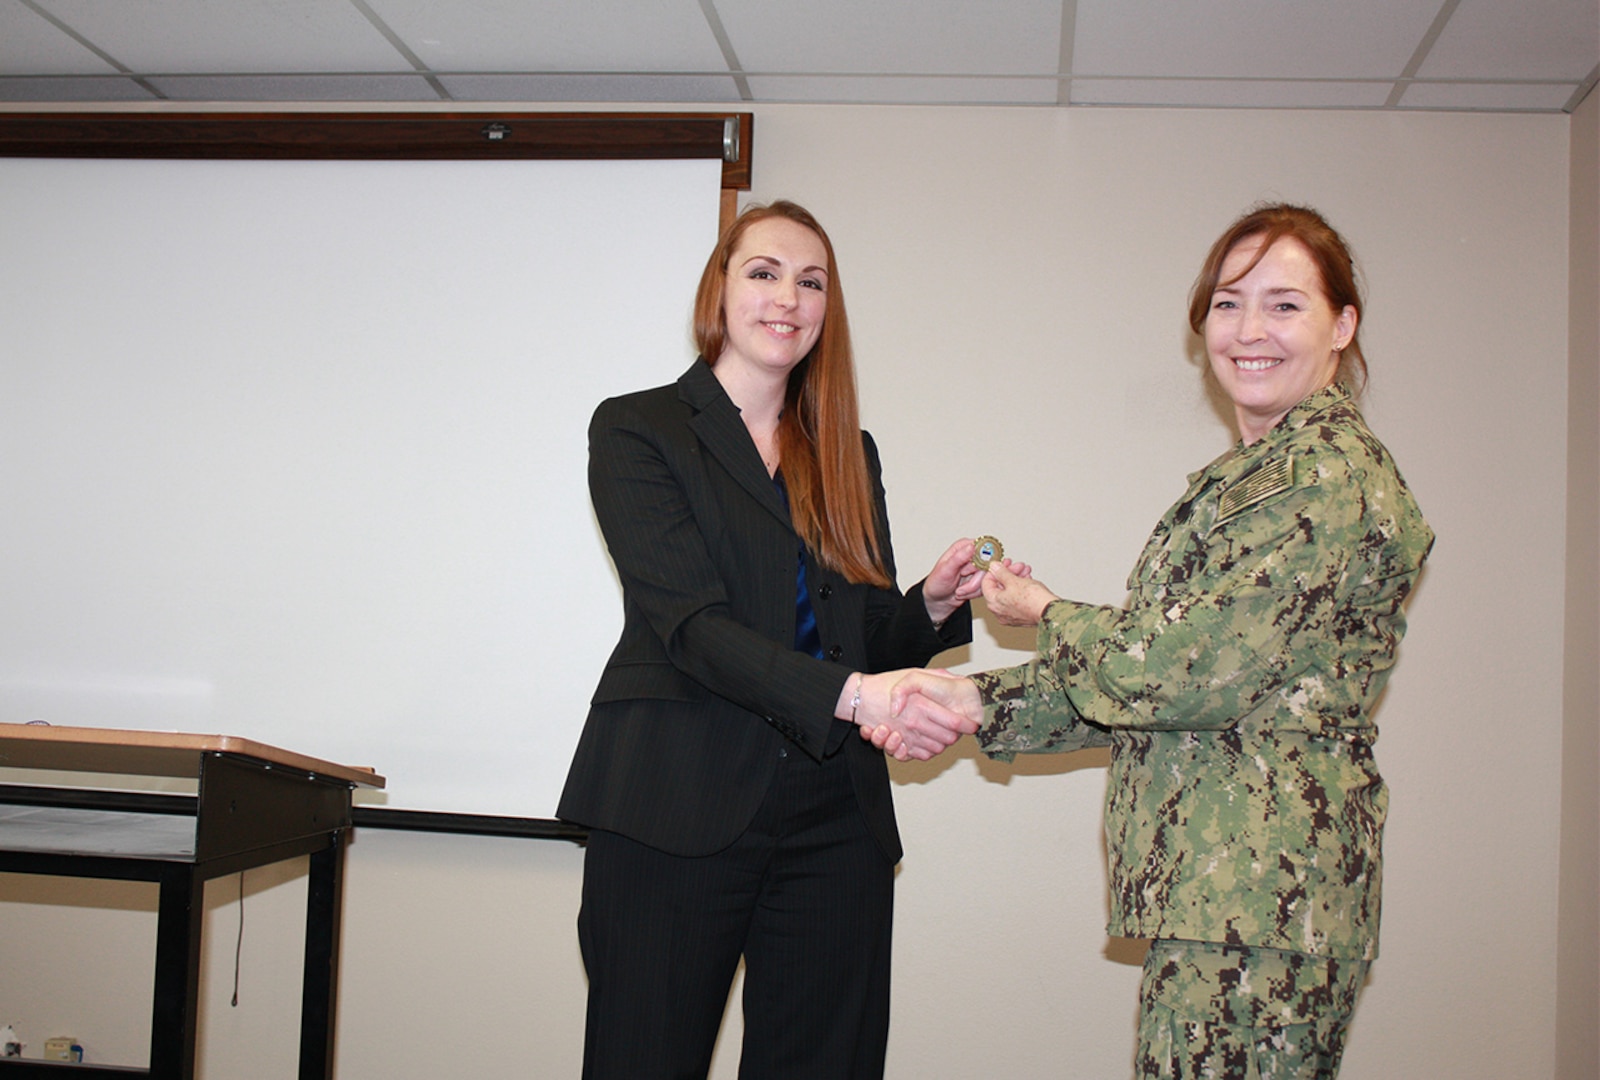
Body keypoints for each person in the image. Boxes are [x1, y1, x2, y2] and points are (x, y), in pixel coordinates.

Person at [876, 203, 1434, 1076]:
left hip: (1263, 905)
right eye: (1228, 302)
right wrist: (973, 698)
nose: (1250, 330)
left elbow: (1173, 671)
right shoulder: (1250, 479)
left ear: (1342, 325)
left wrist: (1049, 613)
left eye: (1285, 305)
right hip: (1229, 899)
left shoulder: (1324, 479)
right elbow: (1162, 681)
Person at [557, 199, 995, 1080]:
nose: (787, 298)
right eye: (763, 273)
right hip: (673, 804)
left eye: (811, 282)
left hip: (835, 819)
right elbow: (692, 628)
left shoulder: (844, 449)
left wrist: (935, 605)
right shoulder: (638, 429)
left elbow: (861, 638)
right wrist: (858, 698)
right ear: (719, 290)